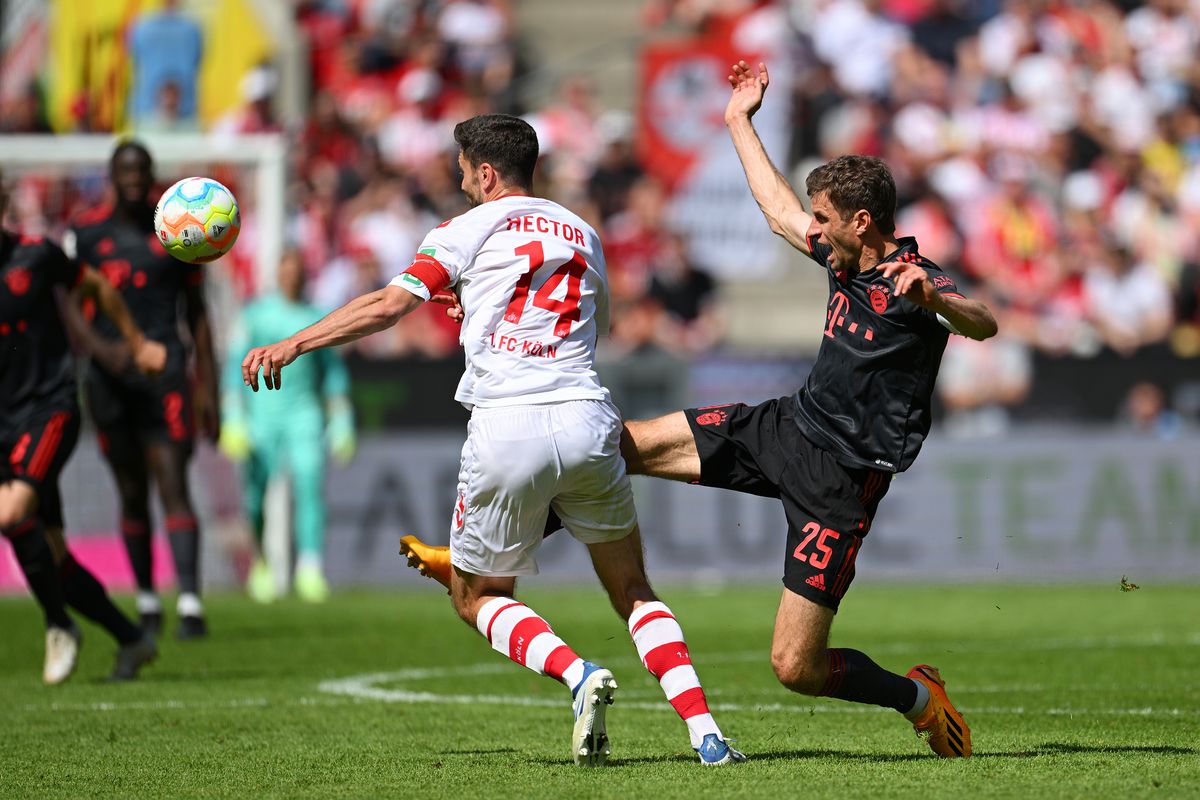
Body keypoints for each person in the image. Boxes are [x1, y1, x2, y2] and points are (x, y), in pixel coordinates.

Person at [400, 63, 1000, 759]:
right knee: (606, 447)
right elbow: (779, 212)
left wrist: (937, 299)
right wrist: (738, 119)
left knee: (795, 668)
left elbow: (983, 322)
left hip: (844, 478)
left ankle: (920, 698)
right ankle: (483, 562)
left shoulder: (912, 280)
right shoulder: (845, 259)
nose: (816, 227)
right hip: (785, 428)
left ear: (862, 221)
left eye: (827, 218)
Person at [242, 114, 743, 767]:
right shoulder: (583, 231)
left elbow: (389, 307)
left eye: (462, 172)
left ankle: (577, 675)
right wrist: (481, 304)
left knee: (478, 595)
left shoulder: (464, 228)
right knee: (634, 592)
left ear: (484, 172)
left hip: (508, 422)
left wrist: (296, 341)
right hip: (589, 417)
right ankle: (706, 734)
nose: (461, 183)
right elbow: (586, 324)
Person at [1, 173, 165, 683]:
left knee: (11, 513)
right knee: (49, 554)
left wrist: (136, 342)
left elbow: (94, 284)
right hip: (3, 422)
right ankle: (132, 638)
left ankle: (58, 626)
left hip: (49, 408)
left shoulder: (36, 255)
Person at [63, 141, 220, 639]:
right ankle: (148, 599)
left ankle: (191, 602)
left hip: (166, 375)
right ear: (112, 176)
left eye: (141, 171)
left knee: (172, 481)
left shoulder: (178, 235)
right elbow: (67, 302)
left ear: (153, 176)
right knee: (131, 491)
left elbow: (197, 315)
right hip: (109, 380)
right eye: (124, 171)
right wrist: (97, 350)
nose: (133, 178)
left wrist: (209, 387)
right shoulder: (87, 234)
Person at [219, 249, 355, 603]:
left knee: (309, 482)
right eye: (286, 270)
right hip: (261, 415)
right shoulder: (256, 315)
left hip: (304, 413)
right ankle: (262, 562)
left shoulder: (316, 318)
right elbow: (234, 365)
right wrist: (232, 417)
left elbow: (333, 374)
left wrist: (341, 420)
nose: (292, 277)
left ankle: (310, 567)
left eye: (298, 271)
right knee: (254, 497)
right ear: (278, 274)